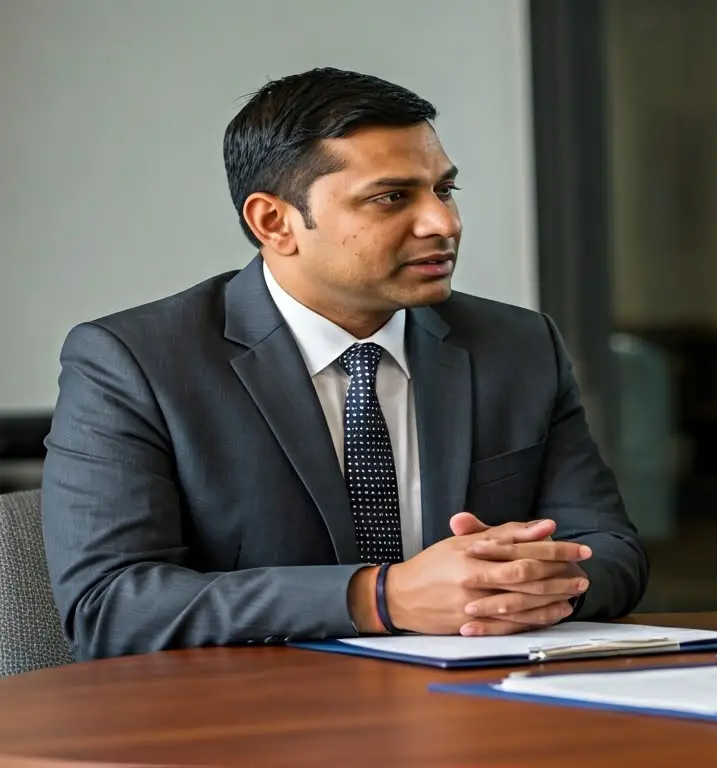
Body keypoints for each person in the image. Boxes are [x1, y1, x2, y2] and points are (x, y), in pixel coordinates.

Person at [42, 68, 648, 660]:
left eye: (444, 190)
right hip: (255, 711)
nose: (444, 223)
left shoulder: (519, 344)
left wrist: (516, 585)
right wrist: (381, 597)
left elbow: (611, 550)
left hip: (482, 697)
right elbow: (109, 605)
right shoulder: (133, 362)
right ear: (275, 222)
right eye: (391, 198)